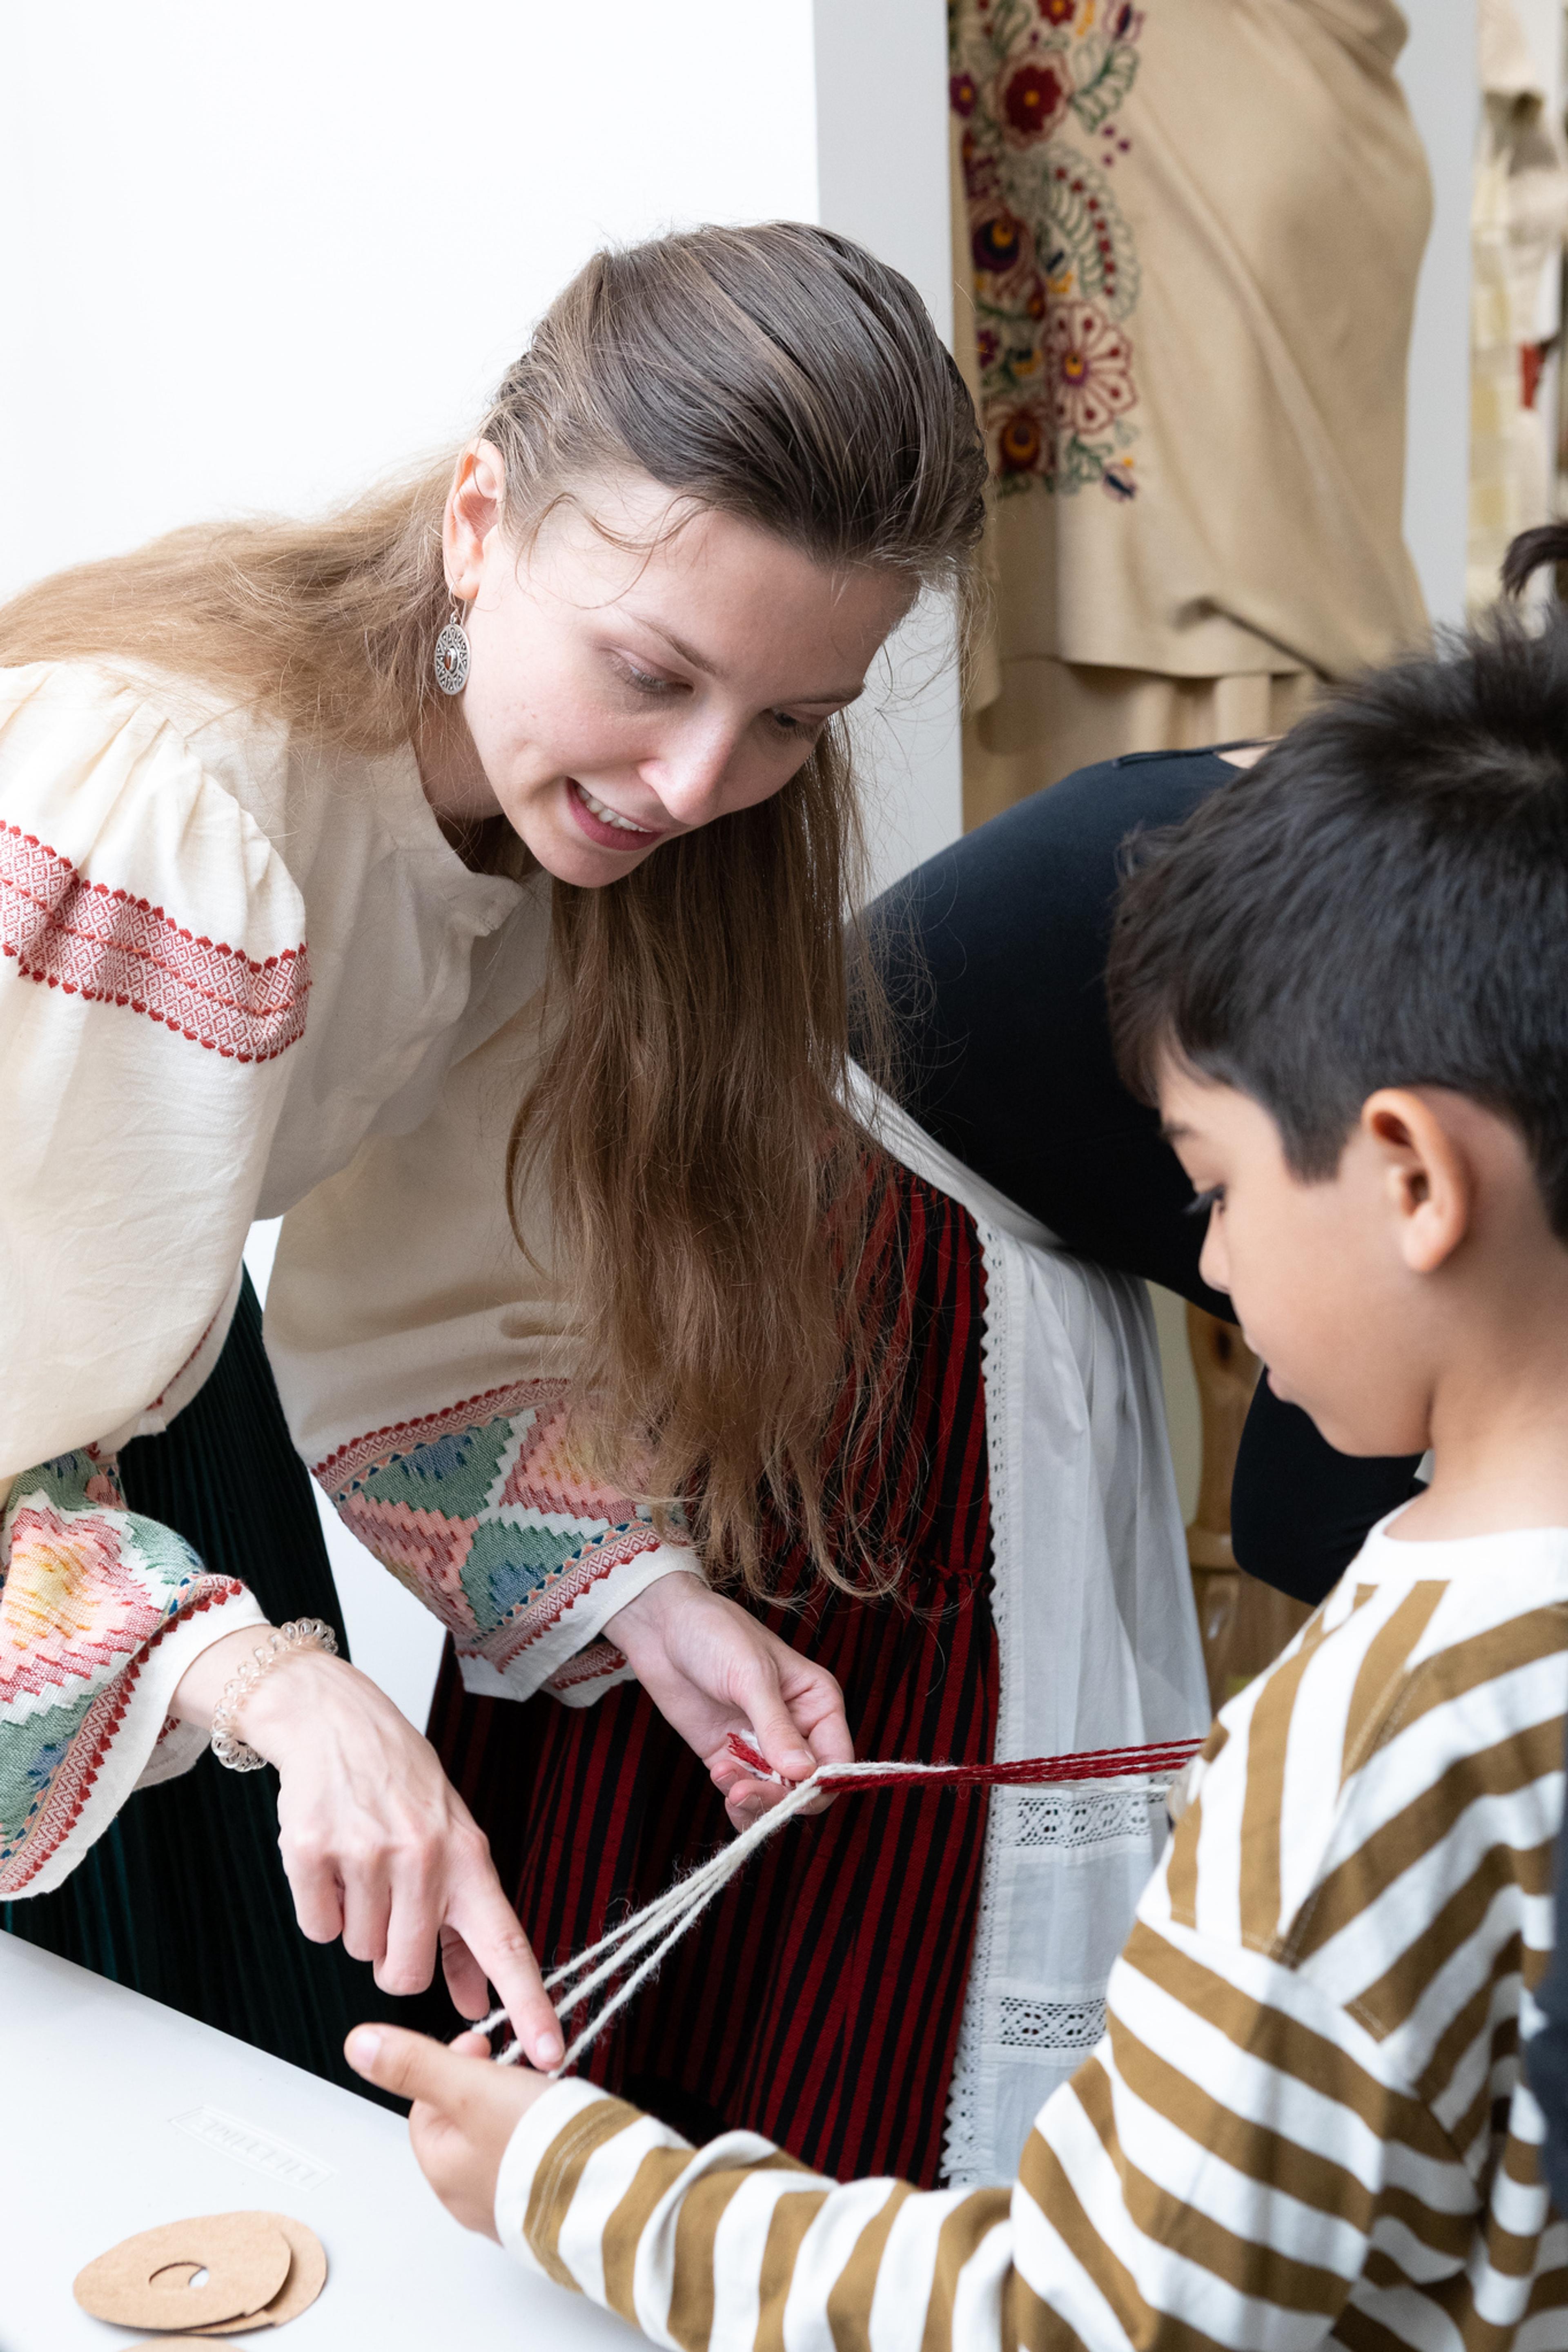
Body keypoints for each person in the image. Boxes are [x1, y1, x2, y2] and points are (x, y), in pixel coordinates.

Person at [348, 612, 1568, 2345]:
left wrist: (577, 2182)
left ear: (1411, 1179)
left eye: (1209, 1186)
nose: (1205, 1271)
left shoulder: (1378, 1740)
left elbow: (1085, 2314)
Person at [0, 223, 981, 2083]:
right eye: (651, 672)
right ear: (480, 522)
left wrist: (652, 1603)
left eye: (790, 721)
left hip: (122, 1449)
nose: (699, 786)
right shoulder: (153, 804)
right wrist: (276, 1683)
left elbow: (434, 1316)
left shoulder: (545, 850)